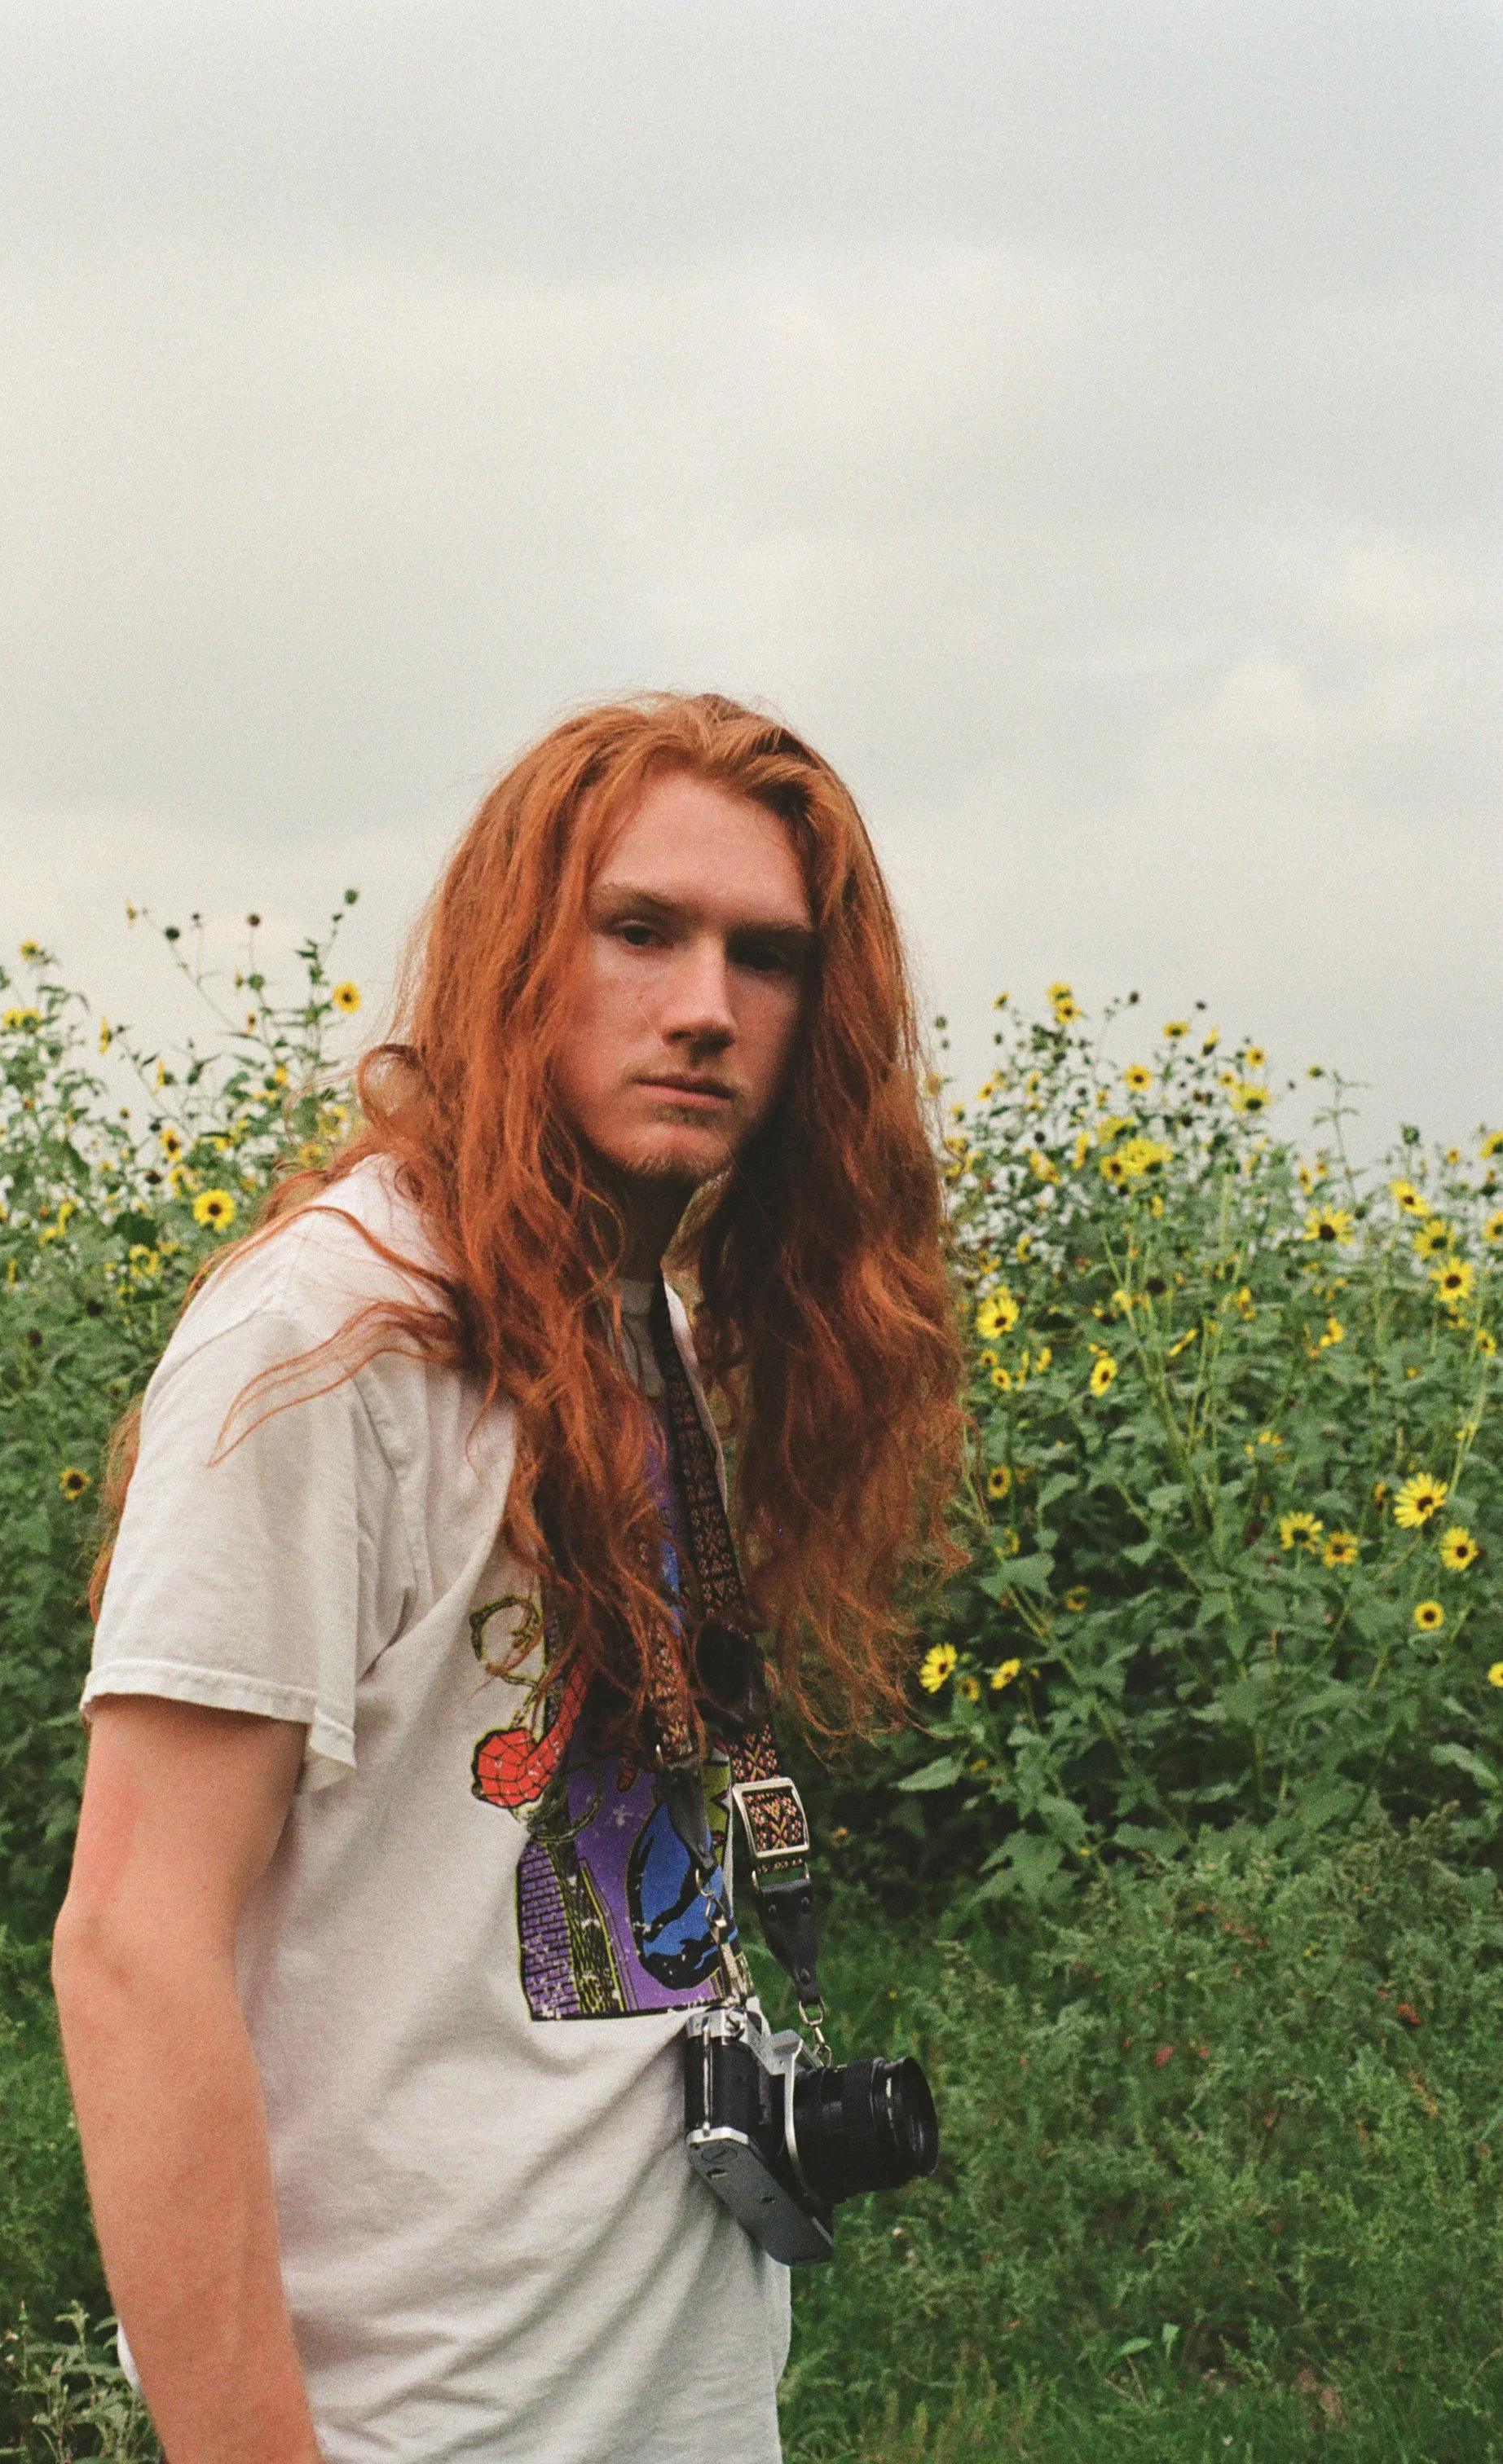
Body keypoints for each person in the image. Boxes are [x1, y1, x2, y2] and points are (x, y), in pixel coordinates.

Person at [51, 693, 966, 2464]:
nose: (706, 1006)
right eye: (640, 930)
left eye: (765, 957)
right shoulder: (325, 1341)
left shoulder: (653, 1331)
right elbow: (130, 1945)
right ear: (513, 956)